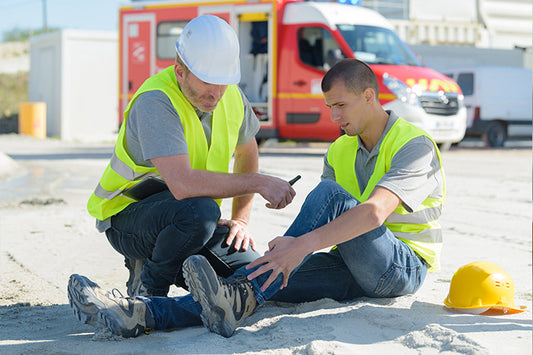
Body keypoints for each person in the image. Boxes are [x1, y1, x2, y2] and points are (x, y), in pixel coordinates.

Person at [68, 58, 445, 339]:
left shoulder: (414, 144)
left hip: (401, 268)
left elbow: (373, 213)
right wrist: (286, 255)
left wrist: (300, 245)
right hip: (348, 264)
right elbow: (335, 224)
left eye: (341, 106)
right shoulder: (338, 151)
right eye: (329, 107)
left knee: (315, 212)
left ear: (370, 96)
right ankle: (142, 313)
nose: (334, 116)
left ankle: (245, 291)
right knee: (255, 276)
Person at [86, 15, 296, 298]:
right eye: (207, 82)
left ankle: (188, 273)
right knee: (200, 212)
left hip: (193, 220)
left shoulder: (229, 95)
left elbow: (247, 152)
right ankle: (151, 293)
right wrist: (258, 183)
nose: (216, 93)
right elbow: (183, 185)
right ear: (180, 71)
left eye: (223, 82)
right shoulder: (156, 101)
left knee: (252, 270)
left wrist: (241, 221)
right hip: (129, 218)